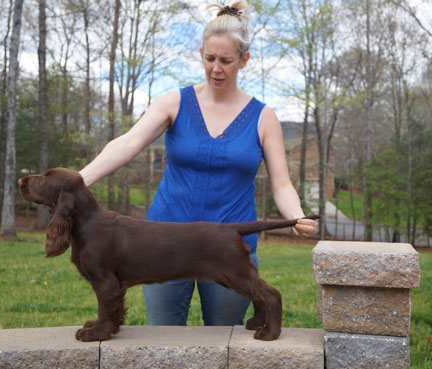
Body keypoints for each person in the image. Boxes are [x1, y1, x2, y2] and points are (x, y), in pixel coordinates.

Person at [79, 0, 318, 327]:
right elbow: (128, 144)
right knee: (163, 345)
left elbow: (281, 183)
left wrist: (296, 216)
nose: (216, 69)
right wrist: (79, 180)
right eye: (209, 59)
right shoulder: (173, 102)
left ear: (244, 60)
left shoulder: (264, 117)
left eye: (226, 61)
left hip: (228, 245)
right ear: (200, 53)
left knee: (224, 347)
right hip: (161, 243)